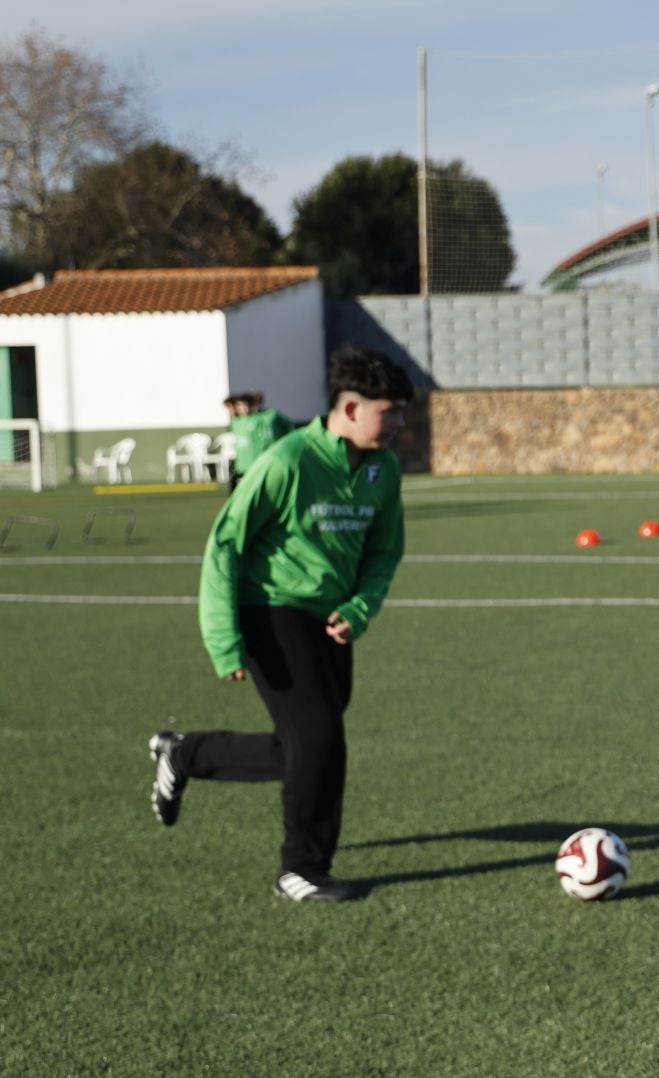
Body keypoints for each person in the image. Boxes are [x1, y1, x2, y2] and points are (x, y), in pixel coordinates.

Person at [149, 345, 413, 903]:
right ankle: (302, 869)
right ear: (349, 409)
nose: (397, 424)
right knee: (319, 739)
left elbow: (385, 552)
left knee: (299, 746)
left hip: (330, 621)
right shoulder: (287, 461)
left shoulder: (382, 470)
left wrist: (361, 608)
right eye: (388, 412)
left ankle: (185, 753)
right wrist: (225, 641)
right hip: (269, 609)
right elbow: (225, 545)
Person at [227, 389, 292, 493]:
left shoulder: (271, 415)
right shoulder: (241, 421)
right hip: (248, 462)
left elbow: (289, 427)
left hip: (272, 456)